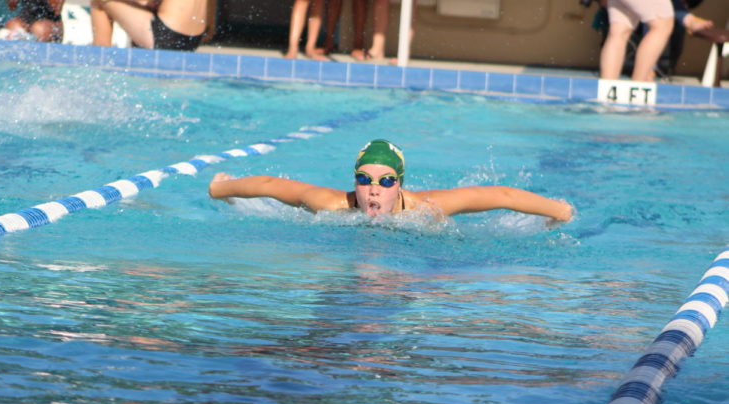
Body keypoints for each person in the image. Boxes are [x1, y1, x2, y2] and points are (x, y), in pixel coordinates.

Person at [209, 139, 574, 223]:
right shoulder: (334, 204)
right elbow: (273, 186)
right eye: (364, 179)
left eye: (385, 182)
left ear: (399, 184)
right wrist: (219, 187)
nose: (373, 189)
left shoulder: (428, 207)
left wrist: (559, 211)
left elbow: (501, 194)